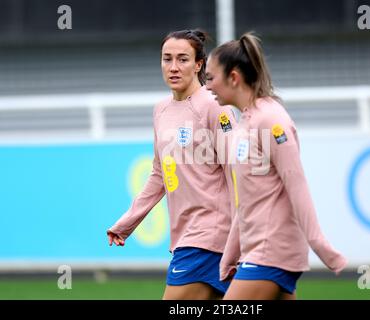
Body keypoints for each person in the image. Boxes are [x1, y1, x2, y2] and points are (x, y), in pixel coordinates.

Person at [205, 32, 347, 300]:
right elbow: (243, 201)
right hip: (257, 252)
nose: (207, 86)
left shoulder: (272, 120)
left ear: (234, 77)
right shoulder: (241, 126)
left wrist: (321, 246)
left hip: (272, 253)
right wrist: (230, 255)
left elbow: (297, 186)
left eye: (211, 78)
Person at [107, 29, 237, 300]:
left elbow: (236, 171)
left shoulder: (214, 107)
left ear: (199, 64)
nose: (174, 67)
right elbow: (159, 174)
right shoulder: (161, 111)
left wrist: (243, 232)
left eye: (183, 59)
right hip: (186, 235)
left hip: (211, 235)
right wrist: (128, 222)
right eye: (167, 59)